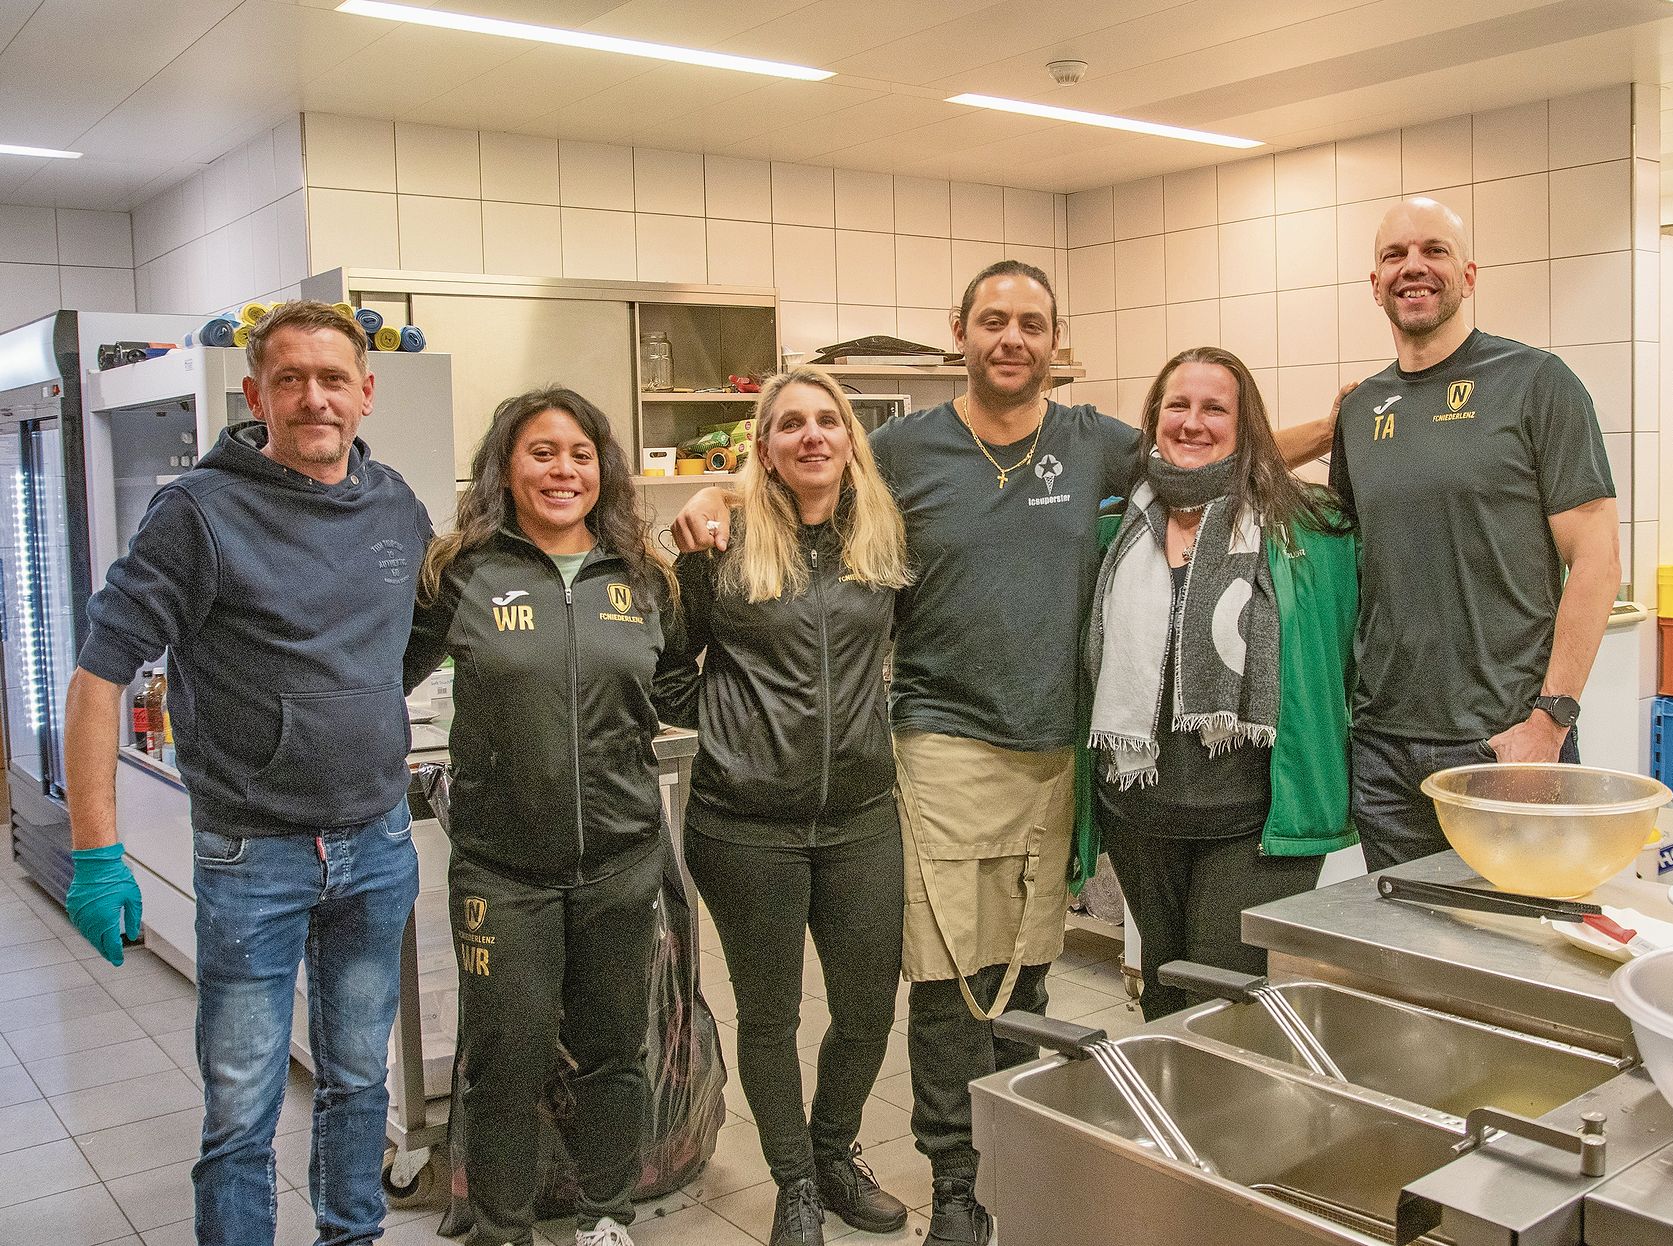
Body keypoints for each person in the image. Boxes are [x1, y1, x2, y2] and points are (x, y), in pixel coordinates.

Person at [672, 260, 1336, 1246]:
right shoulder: (901, 448)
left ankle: (1009, 1154)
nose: (1012, 338)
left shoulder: (1097, 443)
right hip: (943, 748)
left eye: (1031, 323)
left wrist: (1341, 426)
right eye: (993, 320)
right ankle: (954, 1187)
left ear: (1052, 342)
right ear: (961, 331)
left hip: (1057, 756)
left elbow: (1214, 454)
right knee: (953, 982)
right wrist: (715, 503)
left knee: (1028, 975)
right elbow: (803, 479)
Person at [60, 300, 431, 1246]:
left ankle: (352, 1234)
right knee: (241, 1106)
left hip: (376, 842)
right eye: (292, 379)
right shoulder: (198, 512)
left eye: (334, 379)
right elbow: (101, 674)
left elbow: (405, 641)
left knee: (358, 1079)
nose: (316, 398)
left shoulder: (395, 504)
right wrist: (96, 850)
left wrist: (361, 710)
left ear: (367, 393)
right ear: (255, 392)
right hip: (251, 854)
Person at [402, 387, 698, 1246]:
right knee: (506, 1060)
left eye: (580, 453)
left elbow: (678, 685)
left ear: (603, 468)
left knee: (613, 1053)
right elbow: (380, 676)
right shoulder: (457, 572)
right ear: (506, 465)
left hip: (621, 856)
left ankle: (608, 1215)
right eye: (541, 451)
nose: (563, 469)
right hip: (502, 867)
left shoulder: (646, 579)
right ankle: (503, 1227)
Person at [675, 368, 913, 1246]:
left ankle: (833, 1152)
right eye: (789, 426)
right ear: (764, 449)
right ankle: (793, 1184)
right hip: (743, 827)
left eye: (827, 421)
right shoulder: (721, 546)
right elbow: (668, 668)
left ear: (849, 436)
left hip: (859, 817)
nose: (811, 437)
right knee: (769, 1015)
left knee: (864, 1011)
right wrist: (736, 732)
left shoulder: (881, 542)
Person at [1330, 197, 1621, 870]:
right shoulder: (1361, 409)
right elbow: (1356, 561)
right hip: (1383, 749)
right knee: (1405, 957)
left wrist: (1550, 720)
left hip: (1505, 741)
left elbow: (1597, 558)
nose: (1413, 268)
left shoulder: (1537, 384)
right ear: (1374, 284)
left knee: (1514, 951)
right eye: (1393, 256)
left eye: (1434, 251)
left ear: (1468, 274)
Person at [1086, 347, 1358, 1021]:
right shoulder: (1115, 529)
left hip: (1256, 822)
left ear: (1246, 425)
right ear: (1153, 418)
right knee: (1162, 994)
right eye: (1177, 405)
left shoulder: (1306, 526)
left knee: (1220, 1007)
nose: (1193, 421)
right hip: (1140, 815)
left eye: (1215, 408)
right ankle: (1170, 1125)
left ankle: (1227, 1128)